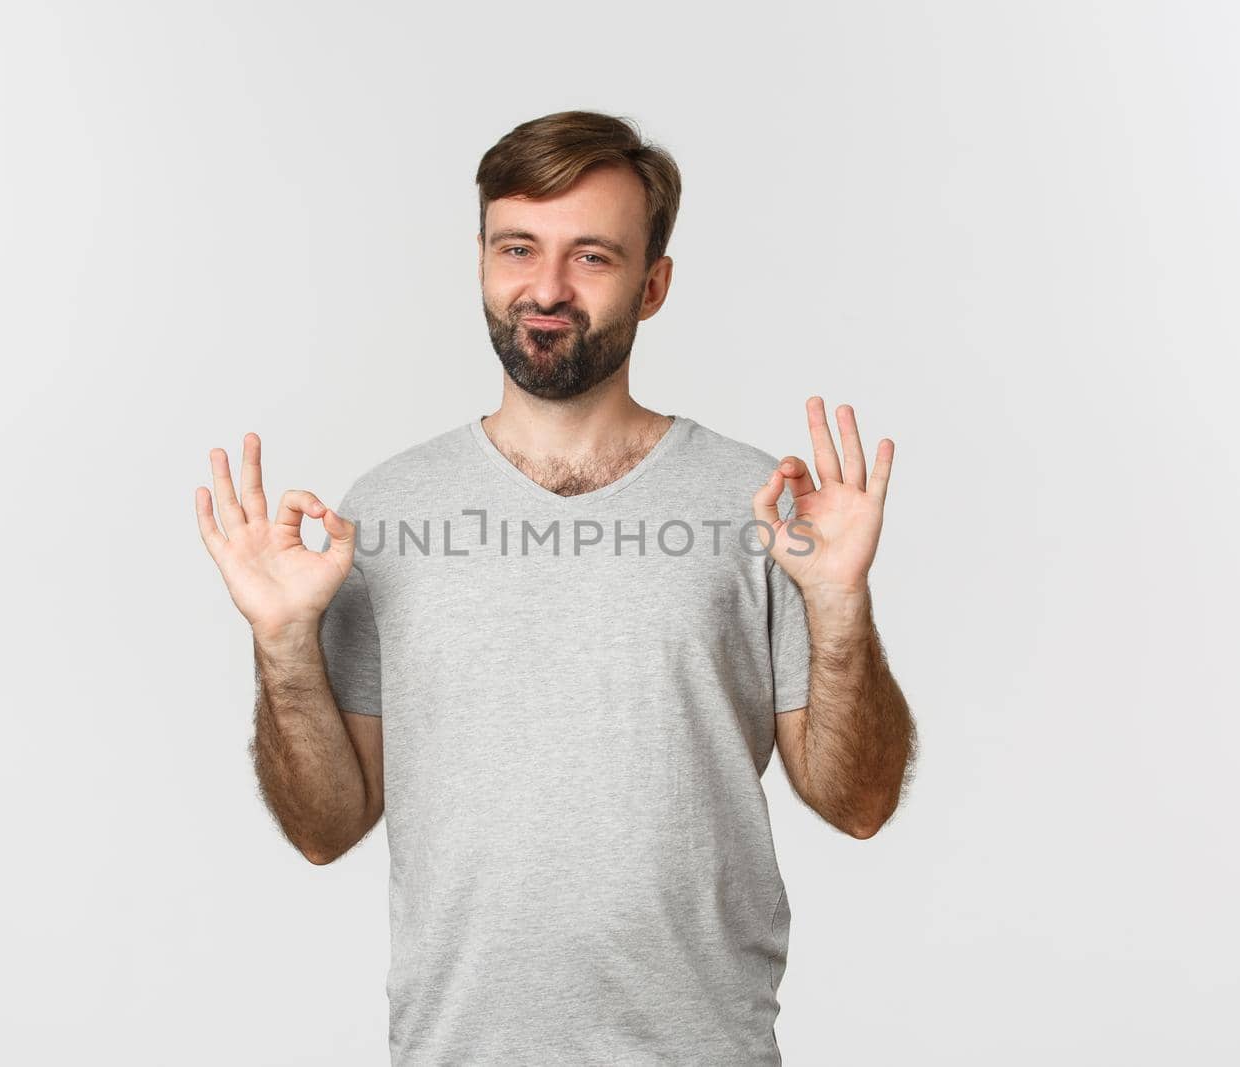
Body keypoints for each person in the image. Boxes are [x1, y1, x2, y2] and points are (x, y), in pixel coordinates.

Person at [195, 110, 917, 1065]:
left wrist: (838, 606)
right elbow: (327, 829)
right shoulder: (387, 511)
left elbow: (857, 802)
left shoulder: (763, 506)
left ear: (653, 285)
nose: (545, 288)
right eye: (518, 248)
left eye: (592, 257)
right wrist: (284, 643)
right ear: (482, 261)